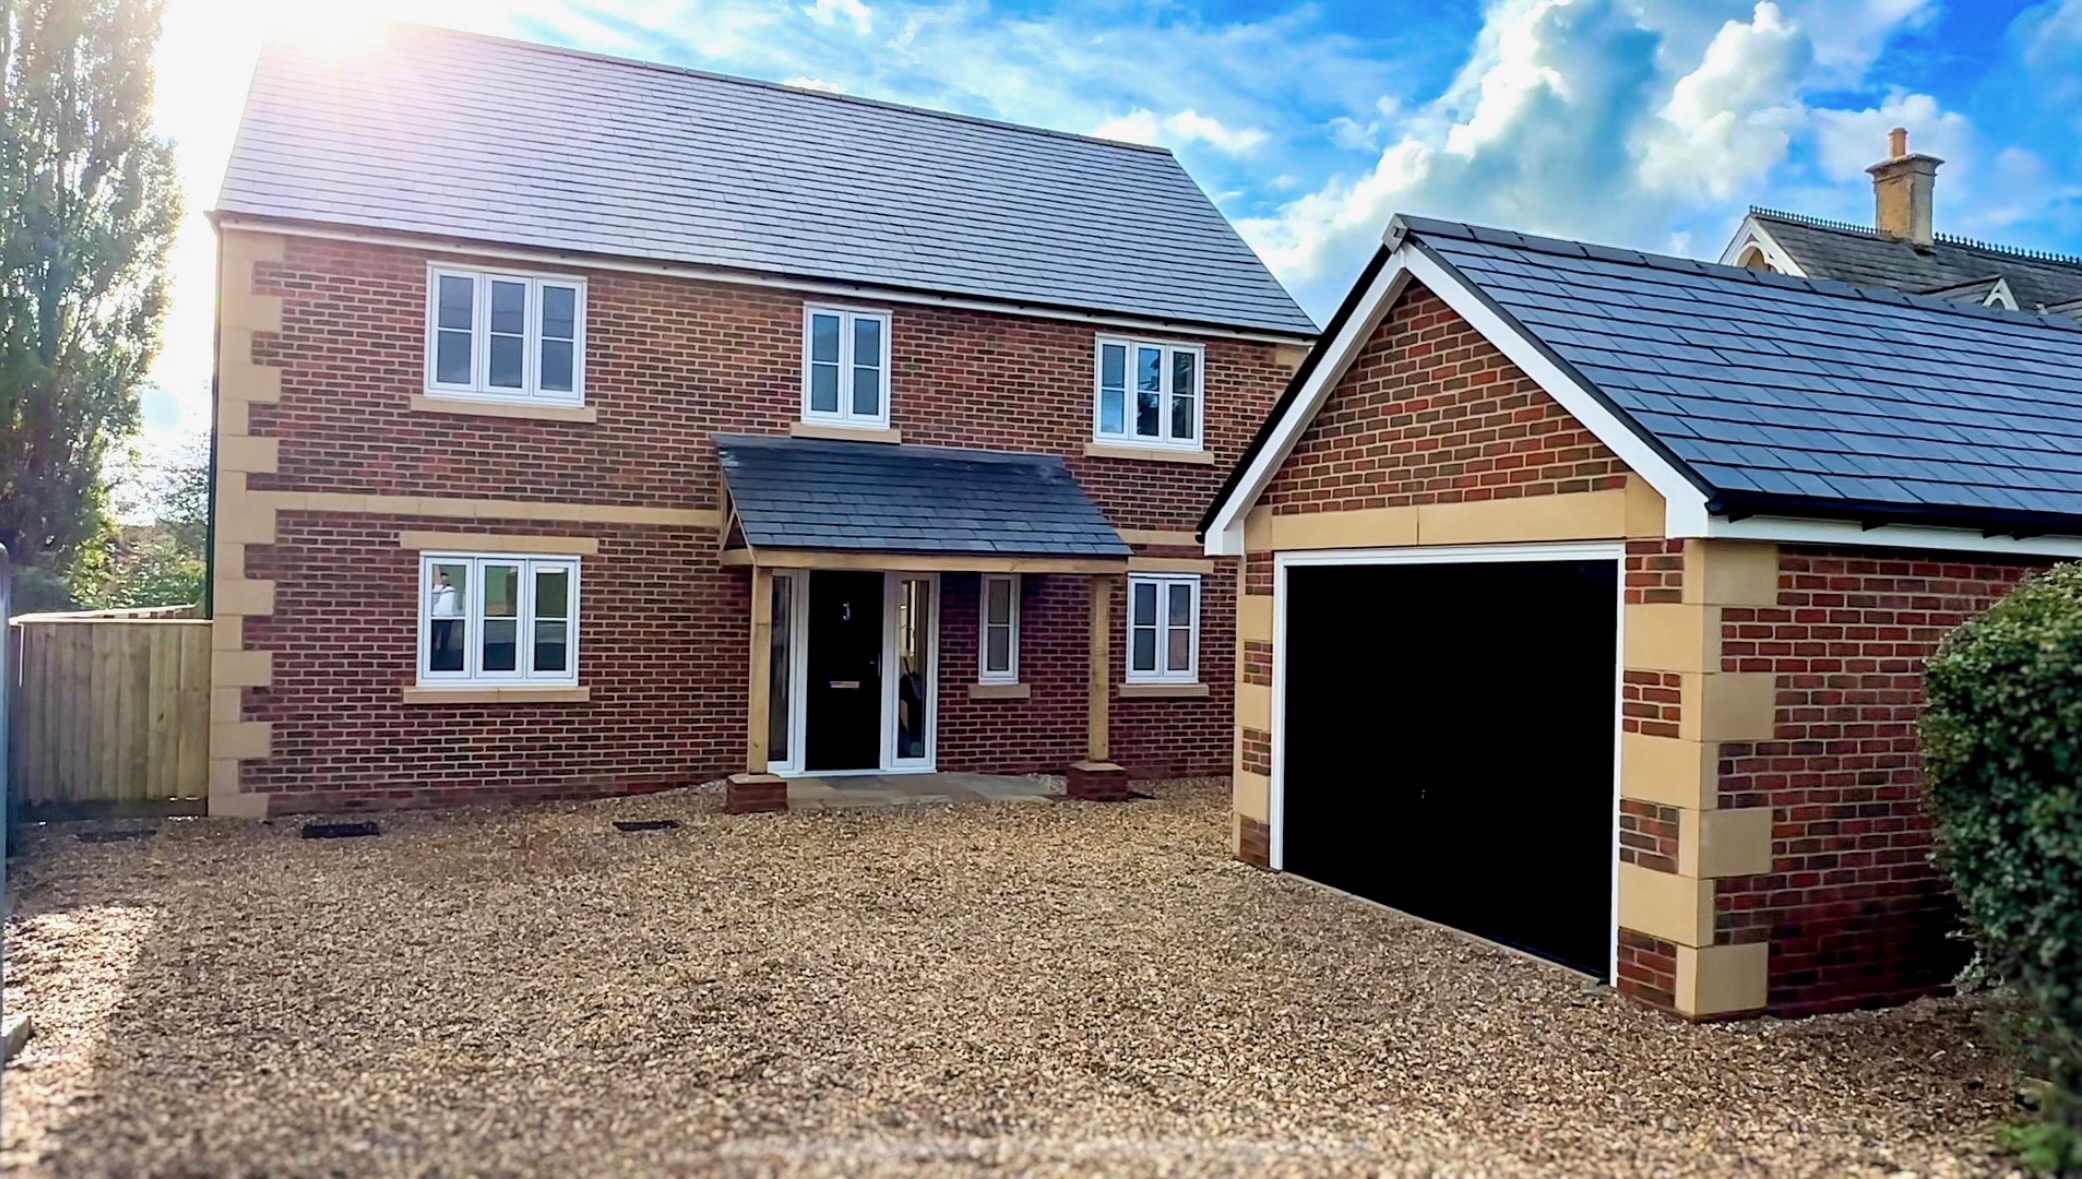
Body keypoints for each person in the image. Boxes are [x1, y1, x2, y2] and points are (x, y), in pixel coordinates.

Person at [429, 568, 462, 670]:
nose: (444, 580)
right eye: (443, 578)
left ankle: (443, 657)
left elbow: (454, 604)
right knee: (433, 640)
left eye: (446, 579)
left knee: (445, 640)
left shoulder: (451, 590)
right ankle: (431, 657)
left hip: (448, 618)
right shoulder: (436, 590)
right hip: (436, 618)